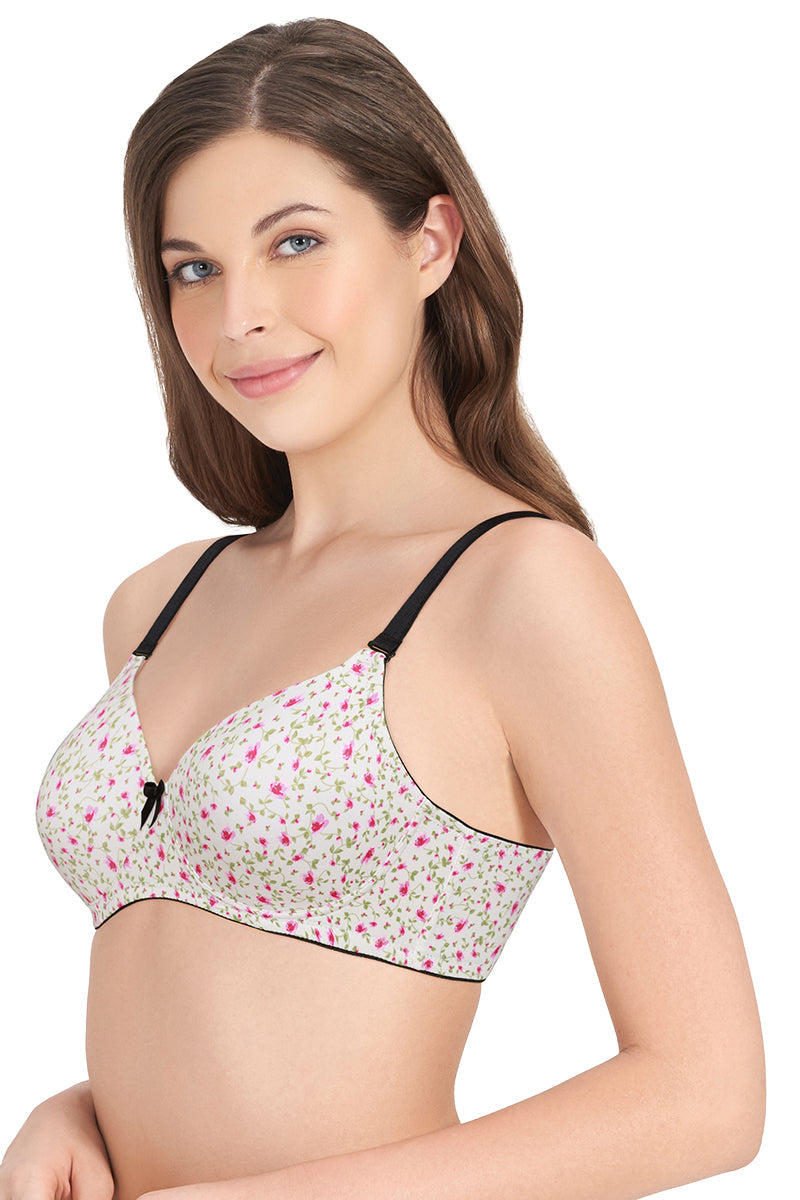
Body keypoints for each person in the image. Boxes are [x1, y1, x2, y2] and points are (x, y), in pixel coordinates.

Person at [0, 16, 765, 1200]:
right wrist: (80, 1113)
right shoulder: (155, 604)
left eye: (295, 242)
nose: (239, 315)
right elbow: (208, 992)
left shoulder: (519, 589)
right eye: (193, 268)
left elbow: (704, 1094)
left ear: (430, 242)